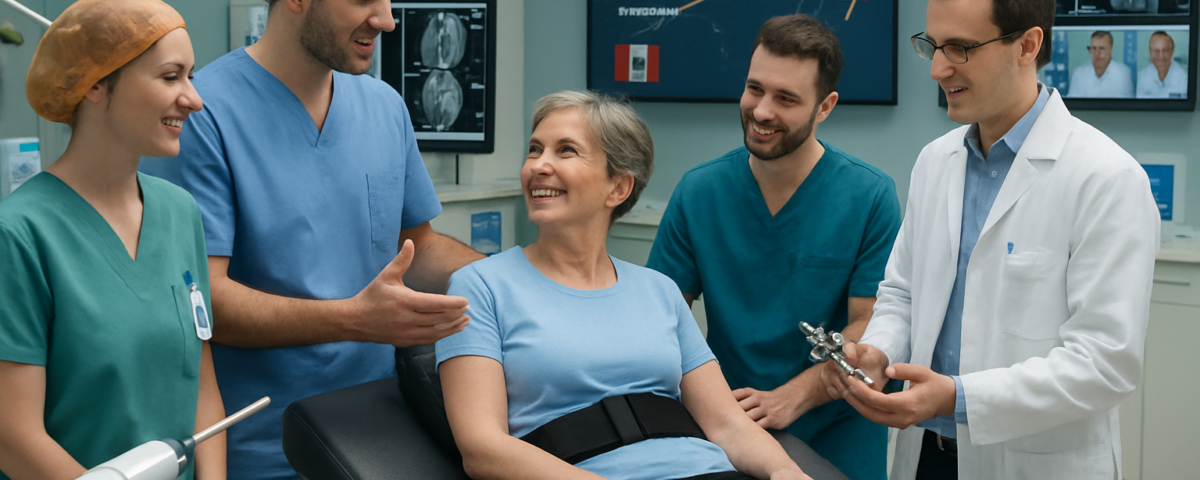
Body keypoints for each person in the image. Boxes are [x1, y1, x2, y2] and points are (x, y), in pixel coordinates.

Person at [138, 0, 484, 478]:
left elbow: (416, 249)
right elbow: (200, 301)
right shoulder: (201, 112)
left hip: (386, 437)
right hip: (266, 448)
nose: (387, 20)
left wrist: (508, 277)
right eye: (365, 1)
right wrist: (355, 320)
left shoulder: (383, 105)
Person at [823, 0, 1159, 478]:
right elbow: (902, 294)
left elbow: (1106, 362)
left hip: (1035, 463)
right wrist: (878, 353)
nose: (938, 69)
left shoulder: (1107, 178)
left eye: (959, 48)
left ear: (1027, 45)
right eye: (933, 46)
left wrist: (959, 397)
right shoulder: (934, 163)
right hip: (926, 456)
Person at [437, 91, 812, 480]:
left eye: (565, 151)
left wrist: (785, 471)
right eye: (535, 149)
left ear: (617, 188)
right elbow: (483, 449)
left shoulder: (660, 291)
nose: (538, 166)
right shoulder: (480, 287)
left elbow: (726, 424)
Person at [645, 14, 901, 480]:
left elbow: (874, 323)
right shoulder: (700, 192)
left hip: (836, 430)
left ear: (825, 107)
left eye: (785, 99)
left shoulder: (869, 196)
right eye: (754, 89)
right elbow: (660, 320)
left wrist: (792, 397)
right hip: (728, 424)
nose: (762, 111)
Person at [0, 1, 225, 479]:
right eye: (170, 77)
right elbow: (13, 439)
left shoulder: (180, 213)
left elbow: (201, 389)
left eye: (191, 77)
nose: (194, 99)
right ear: (95, 85)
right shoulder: (18, 235)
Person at [1066, 31, 1133, 98]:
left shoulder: (1123, 73)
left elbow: (1130, 106)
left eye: (1101, 49)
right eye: (1094, 48)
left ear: (1111, 49)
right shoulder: (1079, 73)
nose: (1097, 54)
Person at [1136, 31, 1187, 98]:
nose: (1161, 56)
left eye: (1165, 50)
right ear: (1150, 53)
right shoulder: (1142, 78)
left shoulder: (1185, 79)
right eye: (1156, 51)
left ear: (1172, 52)